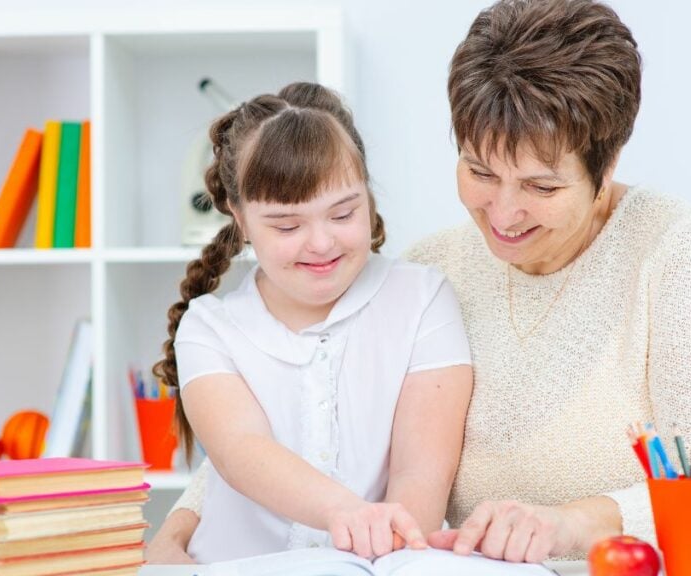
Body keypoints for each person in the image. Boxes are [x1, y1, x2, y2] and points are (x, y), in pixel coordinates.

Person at [149, 0, 691, 563]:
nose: (501, 214)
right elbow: (305, 415)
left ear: (608, 162)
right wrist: (187, 519)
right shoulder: (435, 268)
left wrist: (570, 524)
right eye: (480, 171)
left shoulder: (673, 250)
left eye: (541, 185)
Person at [146, 81, 474, 564]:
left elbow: (420, 477)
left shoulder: (423, 299)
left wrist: (386, 541)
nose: (320, 243)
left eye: (343, 213)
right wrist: (350, 513)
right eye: (287, 226)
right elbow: (241, 449)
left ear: (367, 194)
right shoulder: (211, 327)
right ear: (239, 217)